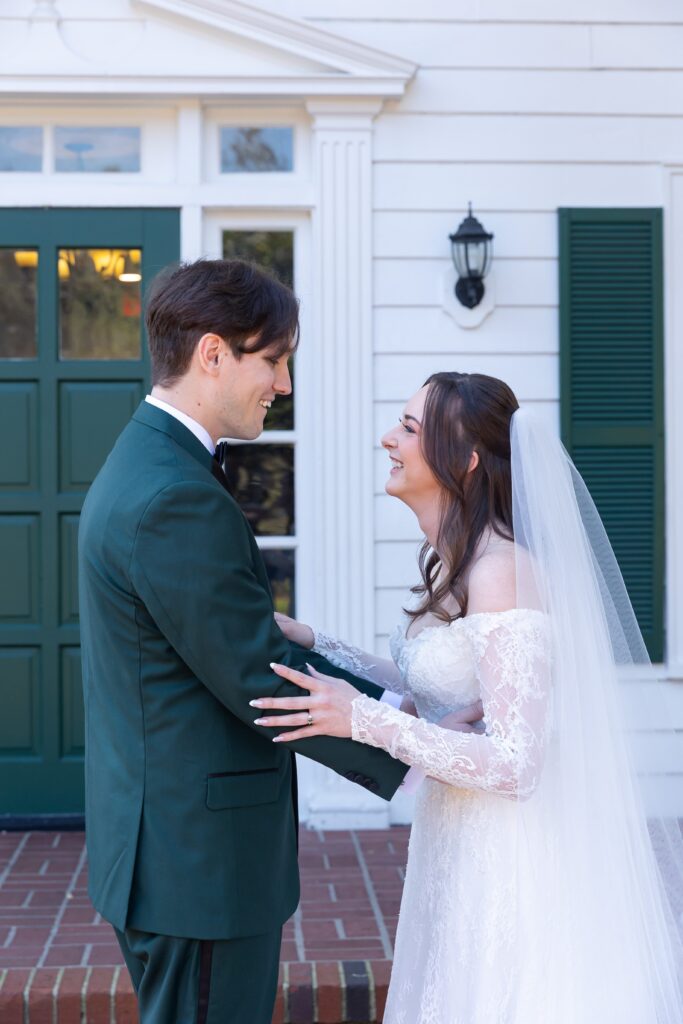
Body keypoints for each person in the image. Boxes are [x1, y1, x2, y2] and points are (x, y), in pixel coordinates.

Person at [79, 259, 478, 1024]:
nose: (284, 384)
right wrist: (415, 742)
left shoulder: (151, 465)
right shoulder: (173, 495)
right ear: (212, 354)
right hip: (197, 868)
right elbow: (258, 673)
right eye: (275, 359)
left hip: (168, 846)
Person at [254, 372, 683, 1023]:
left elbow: (515, 764)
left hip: (511, 860)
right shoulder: (454, 559)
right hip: (456, 843)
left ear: (468, 458)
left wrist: (362, 719)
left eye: (407, 428)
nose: (386, 440)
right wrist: (311, 639)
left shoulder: (502, 571)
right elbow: (424, 685)